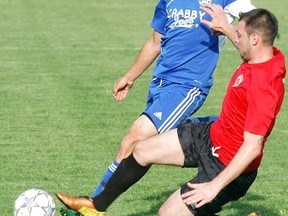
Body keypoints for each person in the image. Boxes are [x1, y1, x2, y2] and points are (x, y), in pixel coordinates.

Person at [56, 6, 286, 216]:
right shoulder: (260, 55)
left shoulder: (265, 85)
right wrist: (226, 28)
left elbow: (253, 146)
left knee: (166, 214)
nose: (235, 39)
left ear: (255, 40)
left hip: (226, 164)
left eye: (239, 35)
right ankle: (96, 206)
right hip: (212, 135)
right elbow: (245, 45)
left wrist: (214, 186)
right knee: (142, 150)